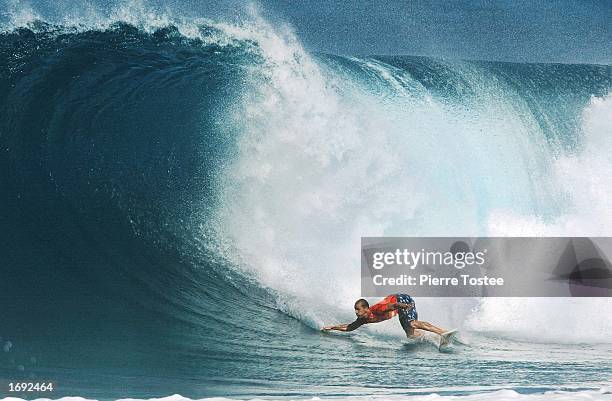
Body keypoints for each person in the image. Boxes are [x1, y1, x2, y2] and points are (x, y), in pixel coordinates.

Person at [322, 294, 454, 345]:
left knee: (412, 323)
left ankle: (443, 332)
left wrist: (405, 306)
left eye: (358, 309)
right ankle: (435, 338)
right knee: (411, 335)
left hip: (402, 301)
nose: (356, 312)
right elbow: (349, 327)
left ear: (366, 308)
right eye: (355, 309)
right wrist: (332, 327)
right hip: (398, 307)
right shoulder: (363, 319)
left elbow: (392, 305)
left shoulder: (377, 309)